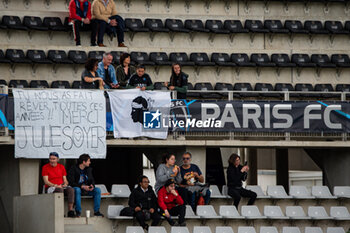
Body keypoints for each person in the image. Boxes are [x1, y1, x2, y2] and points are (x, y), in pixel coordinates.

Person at [42, 152, 75, 217]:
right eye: (50, 159)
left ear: (57, 159)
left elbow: (65, 180)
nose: (52, 161)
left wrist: (65, 184)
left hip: (61, 186)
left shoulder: (61, 167)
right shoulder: (45, 167)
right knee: (60, 190)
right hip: (50, 187)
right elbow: (46, 181)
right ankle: (59, 211)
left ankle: (70, 211)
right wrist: (55, 185)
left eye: (54, 159)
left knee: (71, 189)